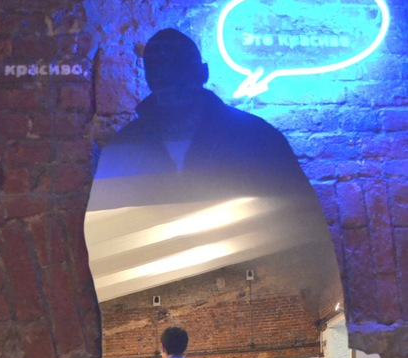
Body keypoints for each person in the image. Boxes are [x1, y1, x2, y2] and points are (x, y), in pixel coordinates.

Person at [89, 27, 327, 233]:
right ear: (204, 72)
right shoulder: (258, 137)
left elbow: (298, 226)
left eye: (177, 72)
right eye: (162, 75)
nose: (171, 84)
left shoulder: (122, 149)